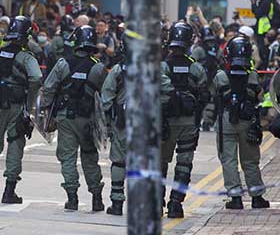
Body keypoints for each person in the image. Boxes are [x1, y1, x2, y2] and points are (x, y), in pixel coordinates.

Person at [100, 35, 174, 215]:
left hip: (123, 122)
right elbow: (168, 90)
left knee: (119, 162)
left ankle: (117, 204)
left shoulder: (119, 69)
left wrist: (109, 124)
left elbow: (106, 99)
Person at [0, 16, 42, 204]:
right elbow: (36, 78)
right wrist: (29, 101)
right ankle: (8, 192)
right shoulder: (26, 57)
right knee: (14, 146)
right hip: (16, 107)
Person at [42, 25, 108, 211]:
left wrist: (48, 111)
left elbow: (48, 88)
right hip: (88, 120)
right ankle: (97, 198)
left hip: (66, 118)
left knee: (67, 157)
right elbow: (106, 95)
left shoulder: (63, 63)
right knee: (89, 156)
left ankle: (72, 198)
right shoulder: (98, 68)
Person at [211, 36, 270, 209]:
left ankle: (235, 198)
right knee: (251, 160)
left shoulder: (221, 76)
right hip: (248, 122)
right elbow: (258, 96)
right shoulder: (253, 76)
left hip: (226, 122)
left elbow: (215, 95)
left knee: (228, 160)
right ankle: (257, 197)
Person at [160, 22, 208, 218]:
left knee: (160, 163)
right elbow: (205, 95)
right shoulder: (195, 67)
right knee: (184, 163)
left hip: (165, 122)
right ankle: (175, 204)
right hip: (188, 123)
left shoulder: (162, 66)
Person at [191, 26, 223, 132]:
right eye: (208, 40)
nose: (210, 43)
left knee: (211, 100)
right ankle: (196, 121)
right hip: (199, 79)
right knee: (198, 100)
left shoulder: (216, 48)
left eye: (211, 40)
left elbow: (221, 60)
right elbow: (192, 64)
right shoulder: (199, 49)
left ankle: (207, 121)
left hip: (212, 78)